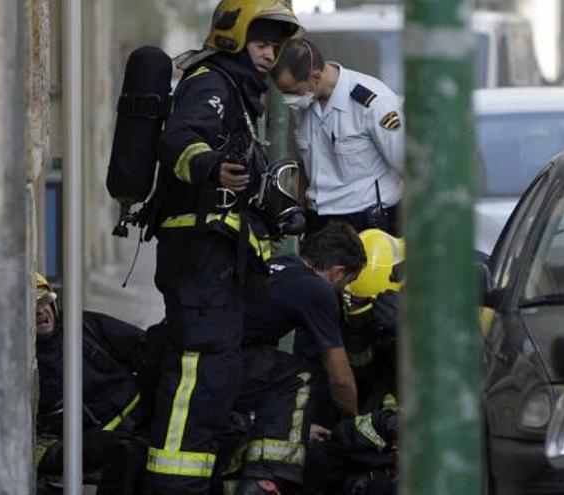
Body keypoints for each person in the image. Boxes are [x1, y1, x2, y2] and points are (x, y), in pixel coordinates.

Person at [146, 2, 302, 492]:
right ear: (234, 36)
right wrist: (211, 166)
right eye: (261, 41)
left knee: (216, 371)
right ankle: (174, 486)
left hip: (215, 262)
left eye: (275, 45)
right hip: (199, 257)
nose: (269, 53)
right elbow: (178, 141)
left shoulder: (237, 92)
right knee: (198, 371)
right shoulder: (212, 83)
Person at [216, 221, 366, 495]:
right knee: (299, 375)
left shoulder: (283, 264)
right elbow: (340, 379)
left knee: (276, 370)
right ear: (337, 272)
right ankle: (266, 480)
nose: (345, 291)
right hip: (223, 361)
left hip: (205, 353)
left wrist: (300, 429)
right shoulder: (318, 291)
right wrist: (355, 425)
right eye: (347, 283)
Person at [301, 229, 404, 495]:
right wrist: (358, 333)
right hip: (378, 418)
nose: (351, 303)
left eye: (359, 300)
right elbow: (360, 370)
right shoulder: (353, 309)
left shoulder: (440, 311)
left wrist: (405, 334)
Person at [271, 39, 404, 236]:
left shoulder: (374, 104)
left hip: (368, 226)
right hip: (318, 223)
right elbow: (305, 164)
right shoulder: (305, 102)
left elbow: (406, 166)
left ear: (315, 77)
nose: (289, 99)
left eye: (293, 92)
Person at [33, 274, 148, 495]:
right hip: (92, 445)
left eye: (44, 302)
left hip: (141, 419)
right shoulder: (24, 366)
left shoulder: (84, 327)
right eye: (32, 305)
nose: (40, 311)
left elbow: (144, 348)